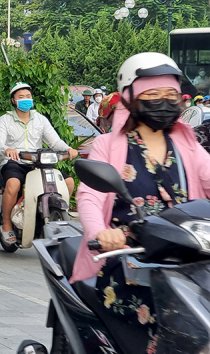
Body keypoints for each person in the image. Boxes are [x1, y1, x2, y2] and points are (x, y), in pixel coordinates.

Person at [70, 52, 210, 353]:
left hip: (189, 258)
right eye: (153, 94)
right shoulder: (109, 144)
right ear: (130, 97)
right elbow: (90, 195)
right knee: (172, 328)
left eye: (171, 94)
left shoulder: (188, 145)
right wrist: (100, 233)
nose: (164, 101)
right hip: (131, 259)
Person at [0, 82, 78, 244]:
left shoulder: (40, 119)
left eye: (28, 96)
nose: (26, 100)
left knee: (68, 181)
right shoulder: (5, 120)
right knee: (13, 184)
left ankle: (54, 212)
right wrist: (6, 149)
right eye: (21, 97)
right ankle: (7, 224)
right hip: (14, 162)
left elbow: (54, 141)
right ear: (13, 101)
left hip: (37, 163)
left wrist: (68, 149)